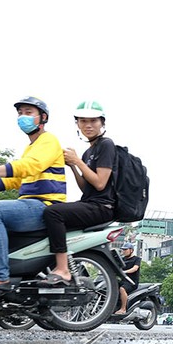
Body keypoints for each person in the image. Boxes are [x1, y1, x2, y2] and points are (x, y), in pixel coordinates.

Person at [0, 96, 67, 293]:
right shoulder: (31, 147)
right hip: (28, 205)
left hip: (44, 205)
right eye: (20, 113)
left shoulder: (49, 141)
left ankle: (0, 277)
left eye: (28, 113)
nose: (22, 117)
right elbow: (13, 181)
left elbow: (29, 166)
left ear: (42, 118)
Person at [40, 101, 116, 286]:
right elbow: (86, 188)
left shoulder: (106, 145)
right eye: (83, 121)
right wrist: (74, 166)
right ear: (77, 124)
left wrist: (77, 162)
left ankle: (63, 269)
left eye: (93, 121)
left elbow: (100, 183)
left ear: (102, 123)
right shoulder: (88, 152)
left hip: (103, 206)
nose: (88, 126)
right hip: (91, 202)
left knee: (53, 213)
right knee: (50, 208)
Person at [115, 242, 141, 315]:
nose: (124, 251)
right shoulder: (122, 259)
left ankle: (123, 309)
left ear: (131, 250)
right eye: (123, 250)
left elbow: (135, 268)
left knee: (122, 289)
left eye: (125, 250)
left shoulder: (137, 259)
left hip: (131, 282)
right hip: (123, 281)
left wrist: (124, 272)